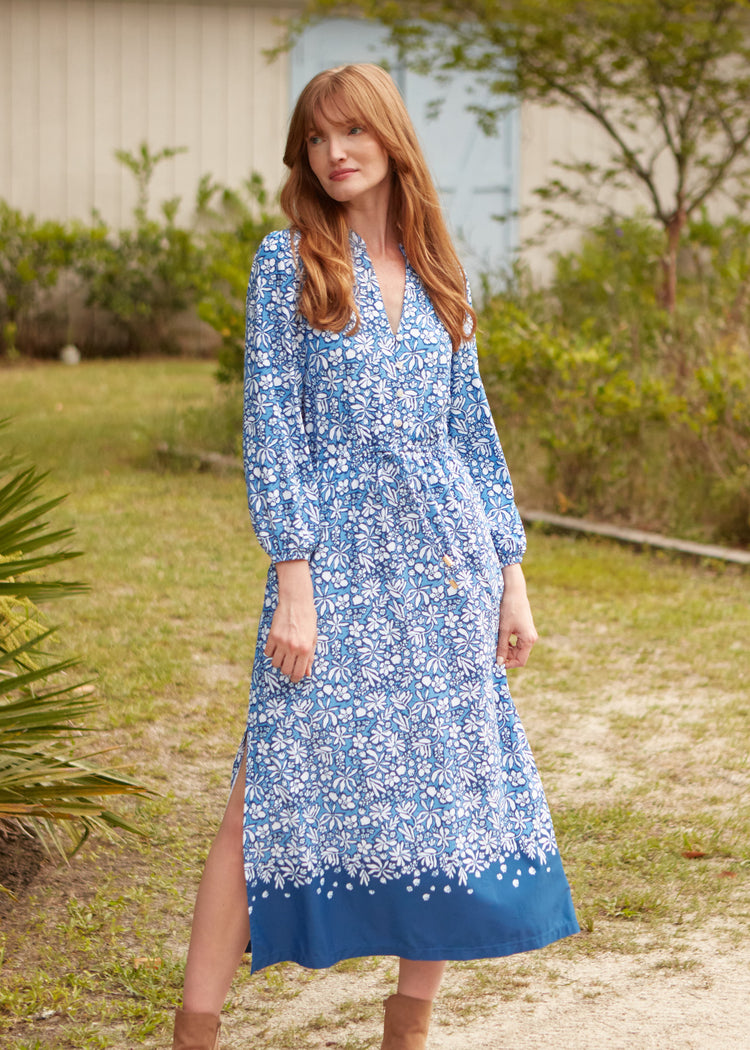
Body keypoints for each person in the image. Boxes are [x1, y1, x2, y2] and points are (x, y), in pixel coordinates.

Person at [171, 63, 579, 1050]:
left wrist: (511, 578)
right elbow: (272, 433)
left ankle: (408, 1031)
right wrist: (296, 585)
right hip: (337, 562)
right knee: (267, 783)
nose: (334, 152)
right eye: (316, 138)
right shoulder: (288, 262)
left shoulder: (442, 267)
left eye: (352, 131)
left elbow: (471, 438)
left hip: (448, 564)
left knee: (441, 788)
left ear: (392, 138)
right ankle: (192, 1032)